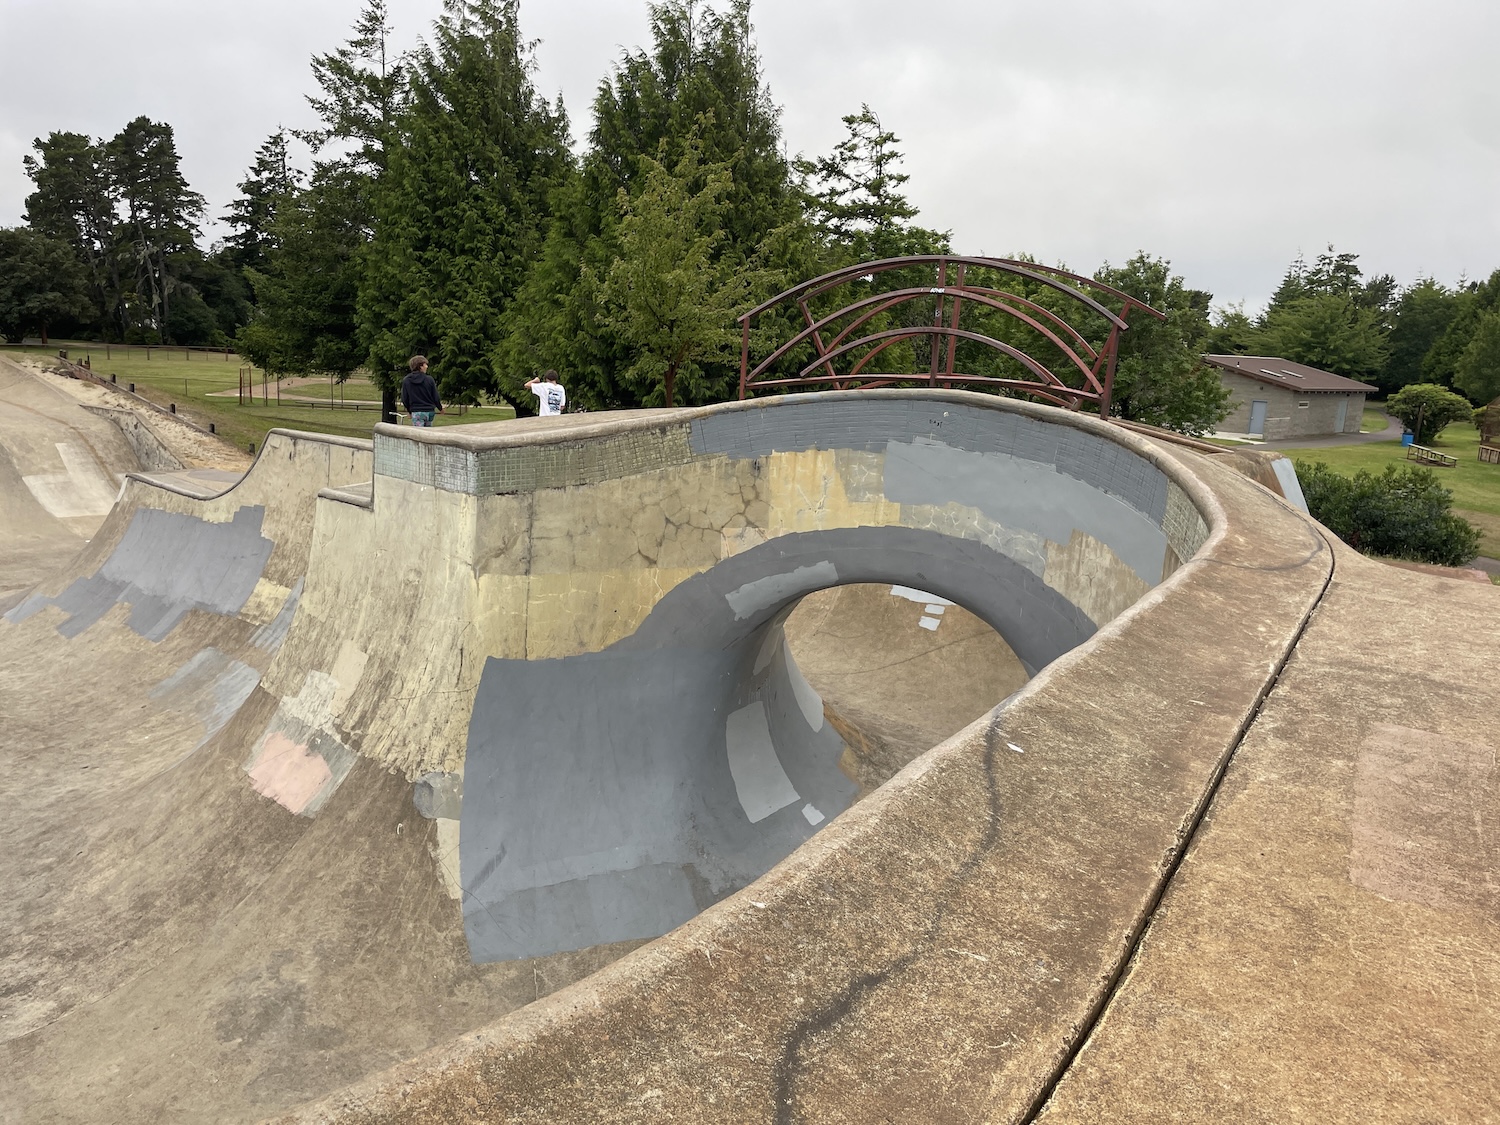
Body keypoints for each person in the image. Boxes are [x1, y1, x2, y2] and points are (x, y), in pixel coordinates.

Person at [401, 355, 444, 426]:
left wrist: (409, 410)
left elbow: (405, 398)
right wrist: (440, 408)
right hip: (429, 411)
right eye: (425, 364)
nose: (427, 366)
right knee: (427, 433)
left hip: (416, 411)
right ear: (420, 366)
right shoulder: (429, 379)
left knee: (419, 434)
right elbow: (435, 396)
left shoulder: (407, 380)